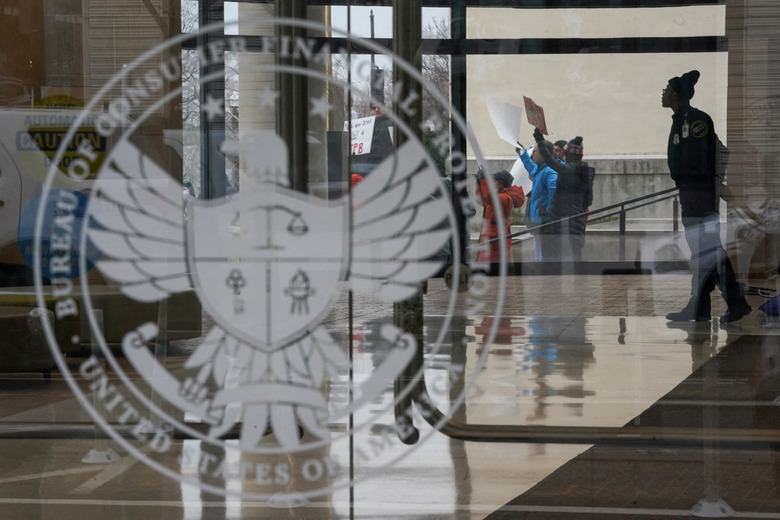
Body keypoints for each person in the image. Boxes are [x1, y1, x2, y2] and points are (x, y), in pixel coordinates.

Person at [661, 70, 751, 324]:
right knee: (703, 252)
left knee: (708, 251)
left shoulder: (696, 120)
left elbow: (705, 156)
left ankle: (733, 302)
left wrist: (712, 184)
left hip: (699, 194)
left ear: (676, 94)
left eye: (666, 89)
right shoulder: (681, 119)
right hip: (692, 193)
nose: (663, 93)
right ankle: (701, 306)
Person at [533, 130, 595, 262]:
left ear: (568, 155)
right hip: (577, 222)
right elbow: (588, 200)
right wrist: (576, 207)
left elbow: (550, 161)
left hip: (561, 223)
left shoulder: (570, 170)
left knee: (553, 261)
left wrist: (540, 141)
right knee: (575, 260)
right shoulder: (586, 173)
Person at [517, 140, 558, 261]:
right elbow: (529, 165)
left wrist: (549, 210)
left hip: (545, 222)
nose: (532, 153)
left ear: (543, 154)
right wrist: (521, 152)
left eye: (534, 151)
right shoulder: (540, 170)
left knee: (545, 256)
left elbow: (553, 191)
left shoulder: (549, 172)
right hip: (538, 221)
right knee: (539, 254)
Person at [475, 169, 519, 264]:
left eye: (495, 180)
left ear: (502, 184)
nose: (493, 182)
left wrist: (484, 181)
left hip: (497, 238)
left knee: (495, 266)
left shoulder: (505, 198)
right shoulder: (499, 195)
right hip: (491, 236)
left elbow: (488, 197)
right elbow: (481, 200)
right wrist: (479, 183)